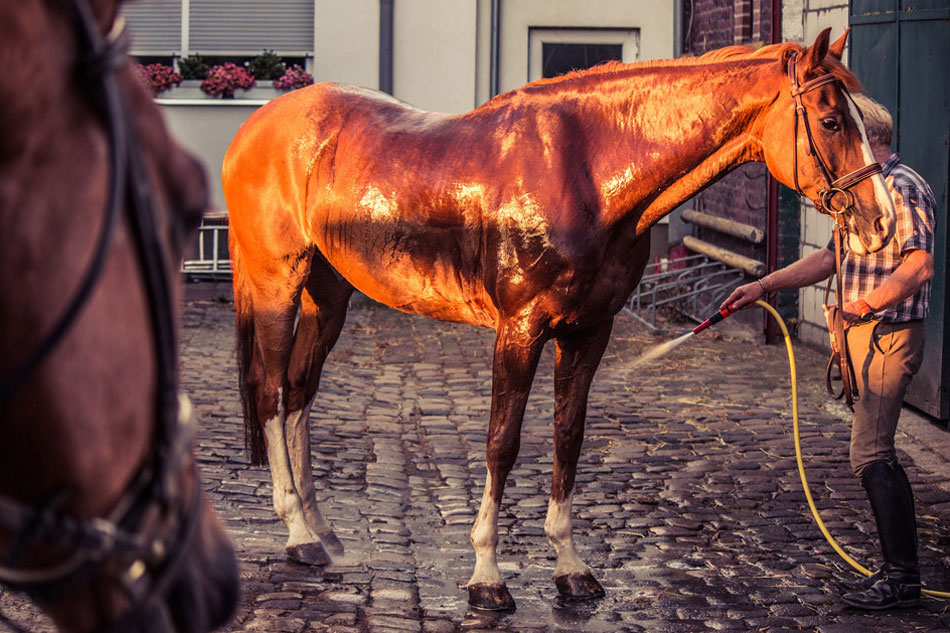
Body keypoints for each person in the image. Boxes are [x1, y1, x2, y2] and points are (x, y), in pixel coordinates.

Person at [721, 93, 936, 610]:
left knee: (870, 453)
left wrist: (863, 306)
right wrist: (765, 285)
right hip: (861, 337)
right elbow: (828, 257)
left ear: (868, 136)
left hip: (887, 335)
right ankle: (897, 571)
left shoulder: (902, 187)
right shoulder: (861, 191)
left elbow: (919, 265)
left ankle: (902, 579)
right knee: (873, 452)